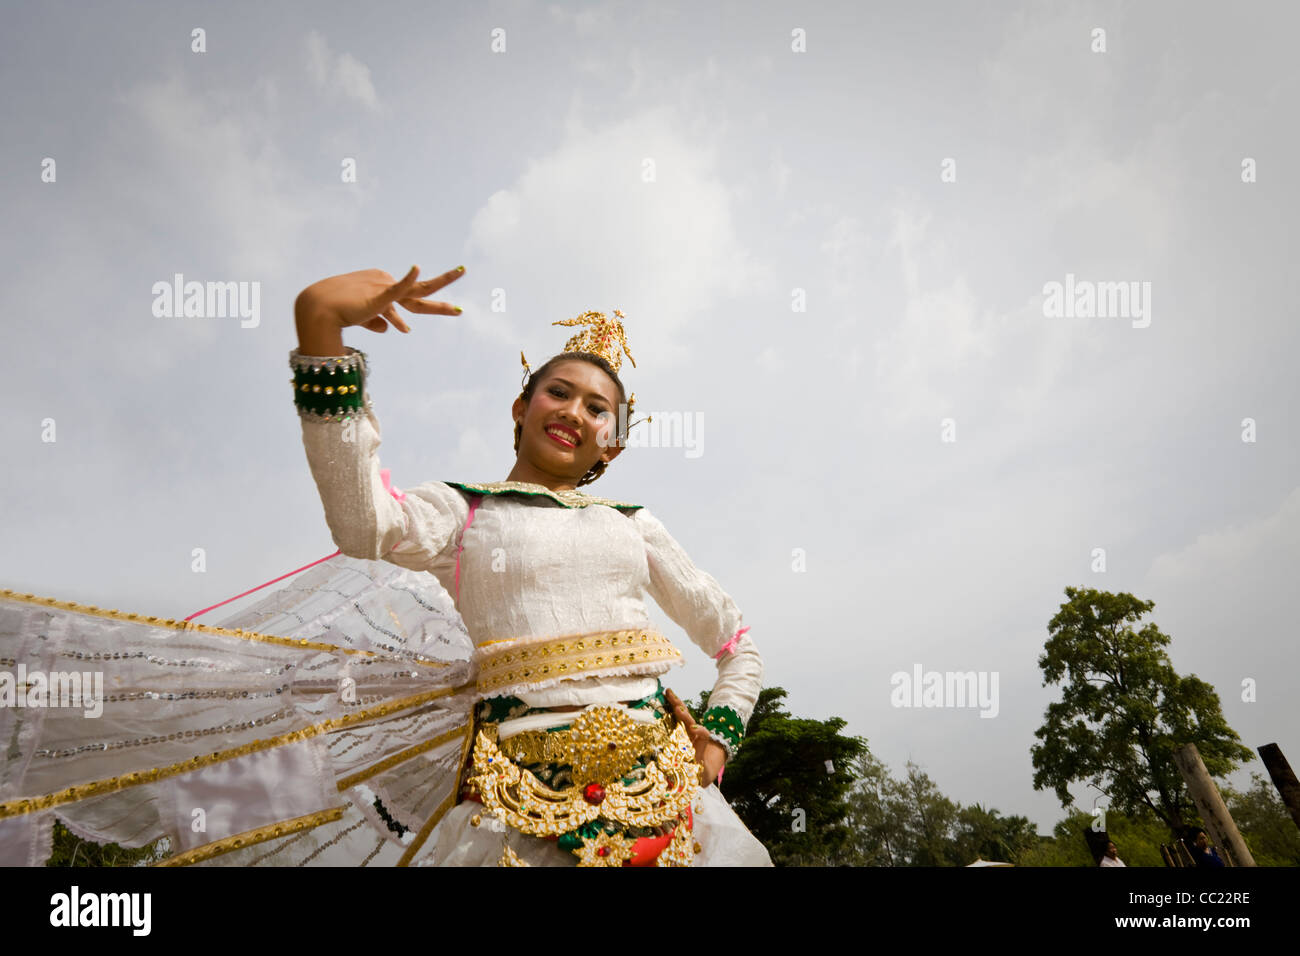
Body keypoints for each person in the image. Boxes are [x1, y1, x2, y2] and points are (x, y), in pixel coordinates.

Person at [0, 264, 770, 868]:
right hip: (517, 798)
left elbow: (735, 643)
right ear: (520, 407)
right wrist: (322, 326)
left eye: (597, 408)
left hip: (669, 793)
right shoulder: (462, 511)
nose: (573, 411)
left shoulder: (634, 527)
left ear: (615, 444)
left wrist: (717, 740)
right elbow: (364, 523)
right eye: (557, 392)